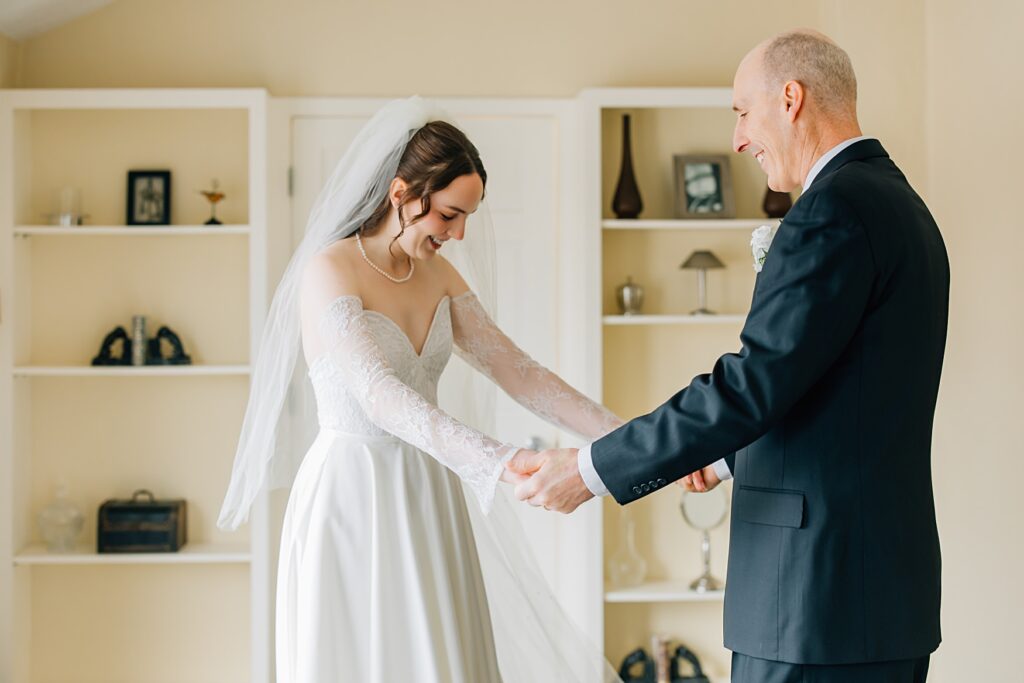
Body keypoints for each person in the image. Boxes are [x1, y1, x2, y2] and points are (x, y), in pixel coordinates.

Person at [511, 30, 947, 683]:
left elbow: (751, 383)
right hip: (877, 597)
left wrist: (592, 469)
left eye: (743, 111)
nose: (740, 138)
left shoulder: (833, 212)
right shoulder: (901, 206)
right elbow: (835, 389)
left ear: (792, 99)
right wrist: (724, 455)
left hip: (812, 602)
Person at [217, 97, 623, 682]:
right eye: (449, 215)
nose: (458, 234)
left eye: (466, 219)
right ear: (402, 193)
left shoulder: (439, 276)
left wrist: (636, 437)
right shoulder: (329, 270)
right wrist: (503, 460)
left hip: (428, 488)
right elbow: (378, 395)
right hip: (351, 496)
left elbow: (520, 372)